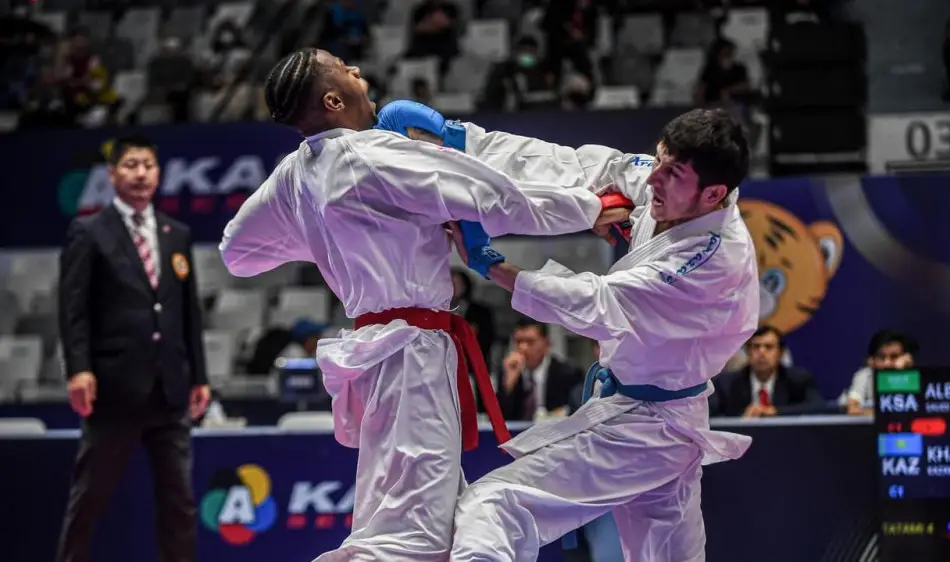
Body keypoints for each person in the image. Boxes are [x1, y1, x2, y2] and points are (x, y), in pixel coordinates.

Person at [218, 48, 629, 562]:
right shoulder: (375, 153)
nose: (359, 73)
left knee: (426, 525)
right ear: (333, 100)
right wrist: (588, 207)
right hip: (411, 354)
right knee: (411, 537)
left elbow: (237, 253)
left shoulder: (294, 175)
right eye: (345, 69)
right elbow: (492, 195)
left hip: (375, 353)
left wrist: (341, 234)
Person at [441, 108, 760, 561]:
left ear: (713, 194)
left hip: (647, 428)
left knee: (493, 506)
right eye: (658, 160)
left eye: (672, 174)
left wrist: (493, 265)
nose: (653, 179)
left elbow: (596, 301)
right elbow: (578, 166)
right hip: (661, 421)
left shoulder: (712, 259)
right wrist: (463, 140)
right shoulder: (681, 193)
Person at [57, 135, 210, 562]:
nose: (140, 173)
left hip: (169, 390)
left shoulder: (176, 234)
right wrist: (78, 369)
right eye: (130, 165)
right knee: (89, 498)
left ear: (158, 173)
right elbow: (73, 309)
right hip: (114, 390)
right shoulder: (89, 231)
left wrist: (199, 376)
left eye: (148, 165)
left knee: (179, 503)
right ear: (112, 175)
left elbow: (188, 311)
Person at [709, 325, 825, 418]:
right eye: (756, 347)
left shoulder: (798, 379)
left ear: (780, 353)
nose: (762, 353)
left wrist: (776, 411)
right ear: (748, 352)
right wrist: (743, 416)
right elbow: (711, 414)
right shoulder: (726, 383)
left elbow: (816, 407)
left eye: (768, 347)